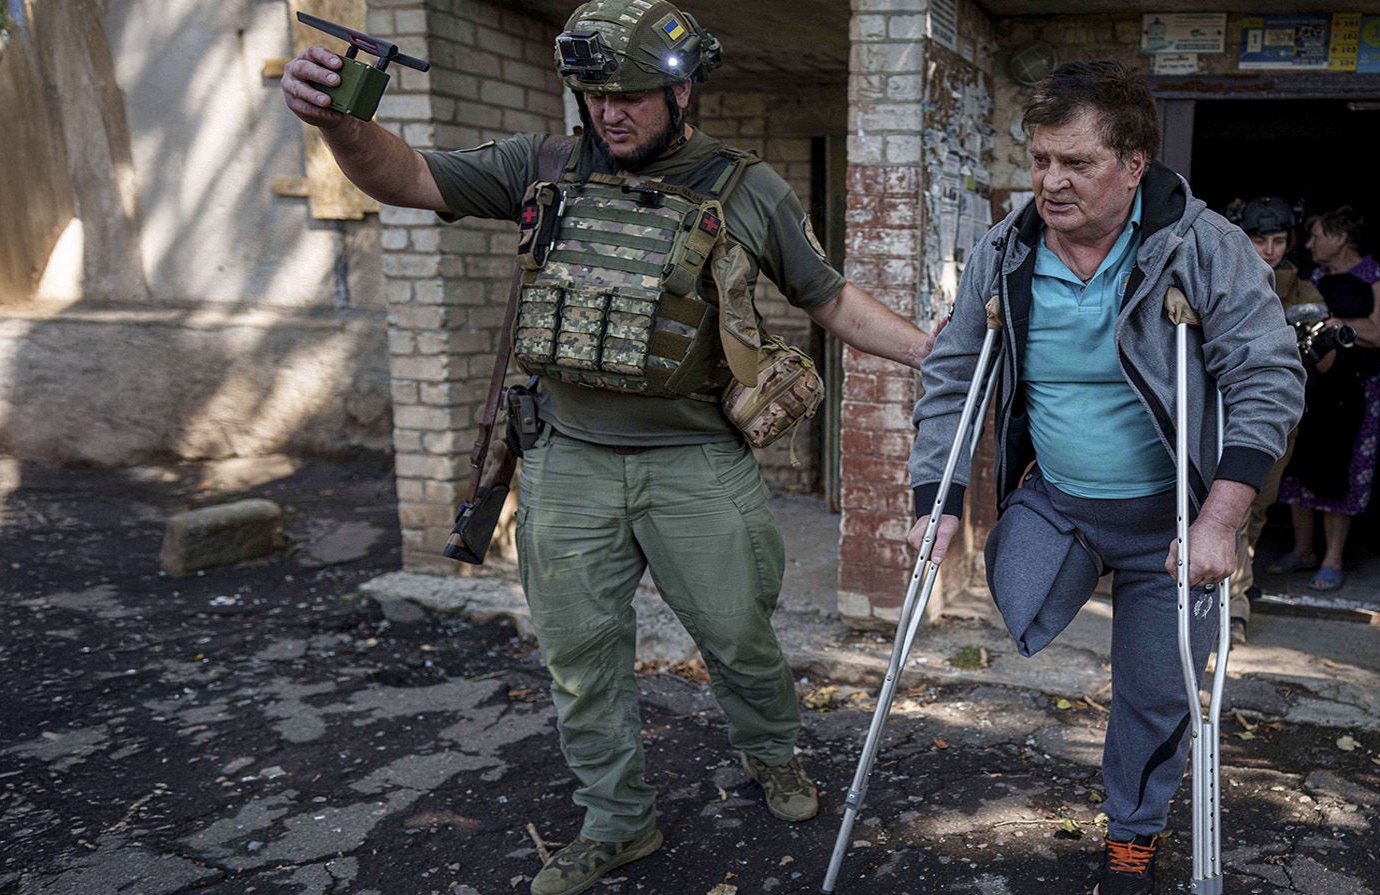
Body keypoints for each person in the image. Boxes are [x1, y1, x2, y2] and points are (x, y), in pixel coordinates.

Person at [282, 3, 934, 892]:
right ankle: (618, 820)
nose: (608, 114)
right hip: (568, 460)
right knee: (581, 658)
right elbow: (409, 178)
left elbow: (830, 300)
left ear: (682, 90)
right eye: (594, 96)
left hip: (696, 461)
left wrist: (928, 351)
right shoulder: (544, 163)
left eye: (629, 97)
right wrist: (339, 123)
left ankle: (771, 752)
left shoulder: (747, 188)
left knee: (739, 636)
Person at [907, 62, 1303, 894]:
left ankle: (1132, 833)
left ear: (1134, 164)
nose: (1050, 181)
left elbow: (1267, 377)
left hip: (1174, 519)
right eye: (1040, 159)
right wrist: (935, 498)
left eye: (1076, 162)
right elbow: (951, 372)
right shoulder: (1007, 251)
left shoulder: (1204, 247)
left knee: (1157, 689)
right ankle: (1060, 566)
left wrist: (1221, 520)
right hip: (1062, 502)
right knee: (1019, 595)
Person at [1268, 206, 1380, 591]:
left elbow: (1379, 331)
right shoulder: (1314, 278)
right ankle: (1302, 549)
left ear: (1340, 238)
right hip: (1315, 384)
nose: (1309, 244)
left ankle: (1332, 558)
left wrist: (1337, 325)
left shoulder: (1372, 276)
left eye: (1317, 236)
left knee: (1342, 468)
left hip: (1355, 390)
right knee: (1300, 464)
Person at [1223, 196, 1315, 642]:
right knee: (1230, 510)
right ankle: (1233, 606)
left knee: (1255, 509)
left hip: (1276, 418)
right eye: (1260, 240)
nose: (1270, 250)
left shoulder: (1301, 289)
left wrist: (1314, 338)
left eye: (1278, 240)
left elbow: (1325, 360)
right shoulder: (1224, 276)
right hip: (1225, 409)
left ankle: (1235, 588)